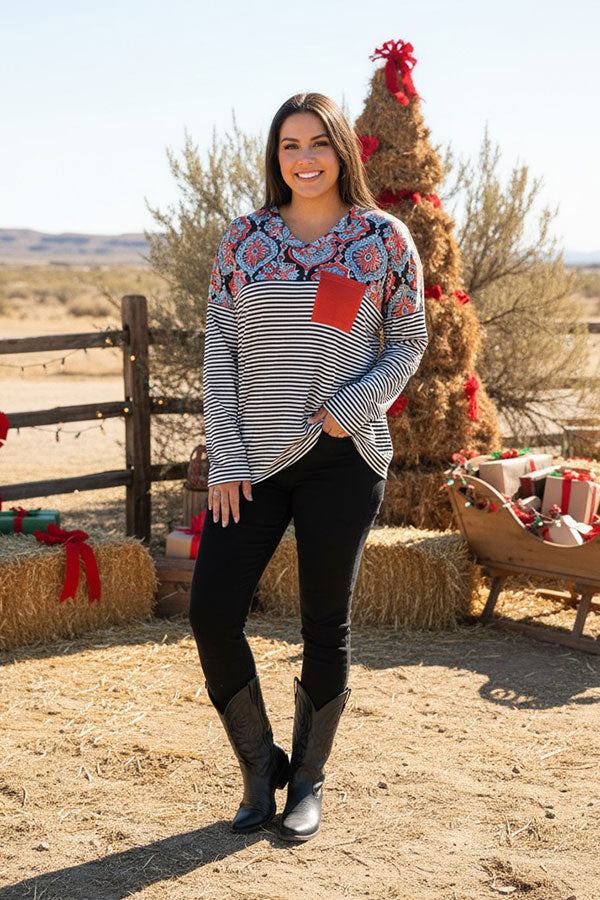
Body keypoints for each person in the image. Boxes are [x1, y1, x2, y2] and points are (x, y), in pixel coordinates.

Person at [189, 91, 428, 842]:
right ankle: (260, 767)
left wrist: (352, 404)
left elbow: (409, 340)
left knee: (324, 625)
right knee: (211, 613)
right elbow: (219, 350)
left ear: (342, 151)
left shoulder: (381, 239)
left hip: (343, 458)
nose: (305, 158)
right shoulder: (244, 238)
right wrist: (225, 458)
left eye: (318, 143)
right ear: (276, 157)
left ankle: (309, 782)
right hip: (249, 464)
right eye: (290, 145)